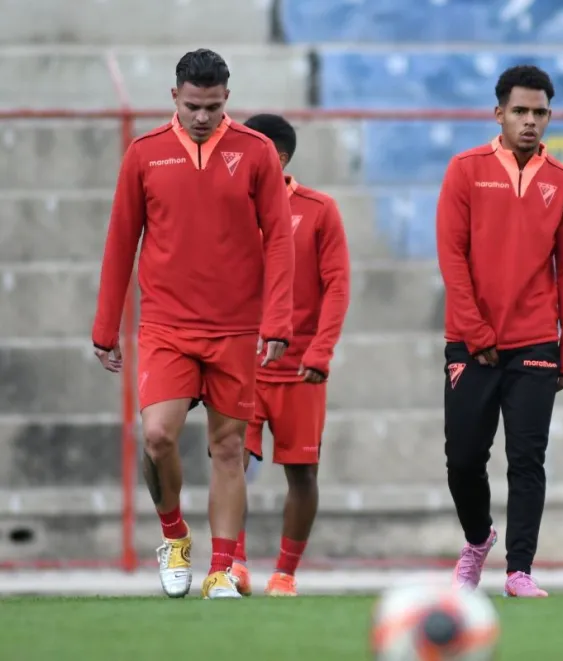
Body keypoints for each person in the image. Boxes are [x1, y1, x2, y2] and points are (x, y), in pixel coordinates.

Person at [91, 49, 295, 599]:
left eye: (211, 106)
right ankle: (174, 536)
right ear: (174, 98)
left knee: (229, 450)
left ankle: (222, 570)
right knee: (158, 437)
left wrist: (277, 320)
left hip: (234, 328)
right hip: (166, 325)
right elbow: (120, 240)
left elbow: (280, 239)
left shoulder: (254, 153)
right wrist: (104, 325)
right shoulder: (145, 154)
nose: (201, 117)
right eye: (191, 106)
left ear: (226, 98)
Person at [436, 64, 563, 598]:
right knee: (463, 460)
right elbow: (451, 255)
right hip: (470, 342)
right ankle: (478, 540)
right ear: (498, 112)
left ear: (550, 116)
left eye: (539, 112)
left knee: (528, 459)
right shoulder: (465, 169)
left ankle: (519, 569)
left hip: (536, 342)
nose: (529, 121)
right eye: (519, 111)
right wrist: (475, 330)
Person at [228, 114, 351, 597]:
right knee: (230, 459)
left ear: (275, 156)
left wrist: (321, 350)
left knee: (301, 472)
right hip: (241, 364)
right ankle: (232, 563)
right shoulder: (228, 209)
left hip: (300, 367)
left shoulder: (319, 210)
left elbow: (338, 285)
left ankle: (284, 573)